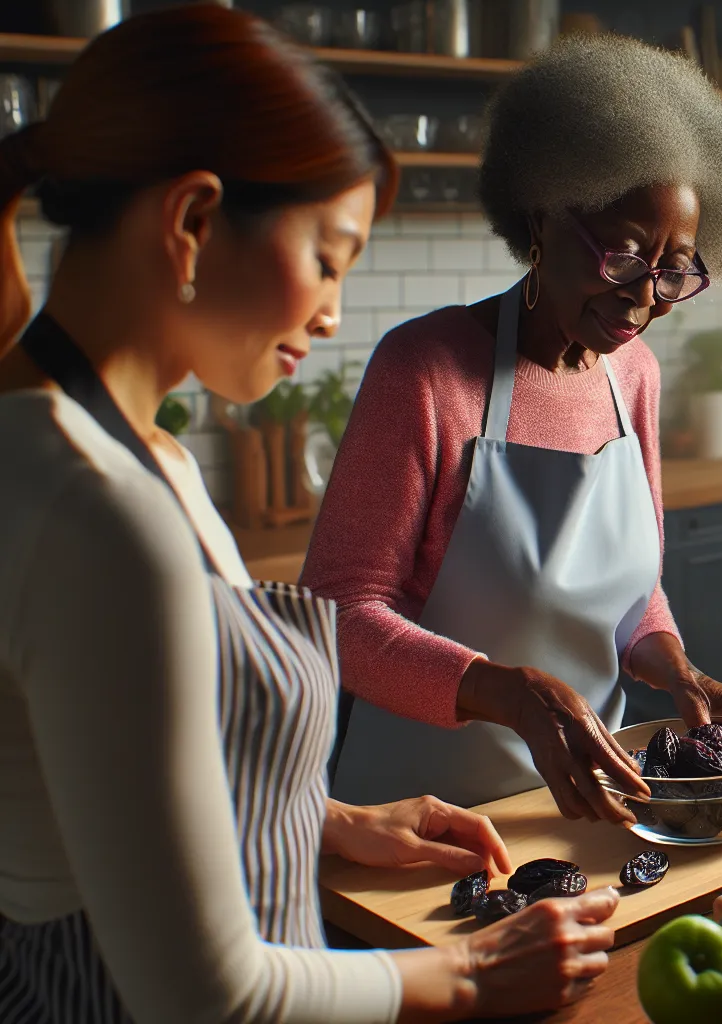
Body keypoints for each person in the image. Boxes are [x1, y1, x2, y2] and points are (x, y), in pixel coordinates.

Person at [0, 7, 617, 1021]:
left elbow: (108, 786)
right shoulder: (95, 508)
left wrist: (324, 819)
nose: (332, 313)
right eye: (328, 257)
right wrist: (473, 972)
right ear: (193, 221)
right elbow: (207, 995)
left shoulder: (114, 450)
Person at [306, 34, 722, 825]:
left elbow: (632, 601)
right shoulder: (426, 370)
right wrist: (509, 690)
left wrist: (679, 671)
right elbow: (340, 614)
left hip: (577, 811)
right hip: (413, 818)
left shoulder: (632, 376)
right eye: (626, 254)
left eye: (675, 267)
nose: (645, 299)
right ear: (543, 212)